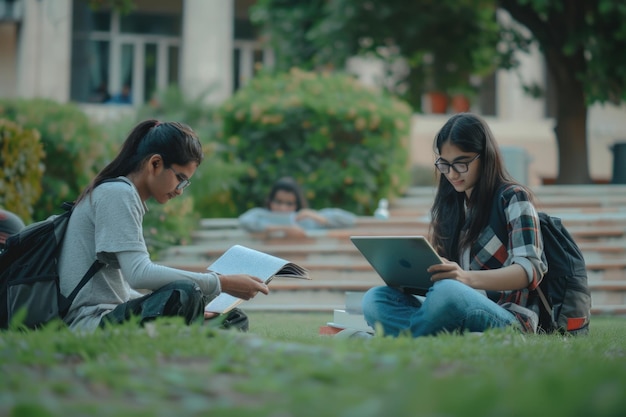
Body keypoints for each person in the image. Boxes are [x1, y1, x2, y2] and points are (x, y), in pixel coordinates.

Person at [58, 120, 269, 332]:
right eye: (180, 179)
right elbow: (139, 274)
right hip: (90, 325)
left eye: (185, 184)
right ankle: (192, 335)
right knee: (185, 294)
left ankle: (192, 332)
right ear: (155, 164)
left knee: (232, 318)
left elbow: (120, 289)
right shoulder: (118, 194)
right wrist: (222, 283)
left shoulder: (123, 194)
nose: (180, 190)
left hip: (111, 315)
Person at [361, 113, 547, 338]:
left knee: (448, 292)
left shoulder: (514, 198)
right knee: (376, 299)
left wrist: (465, 278)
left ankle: (409, 339)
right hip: (455, 306)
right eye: (445, 164)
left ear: (485, 157)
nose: (451, 173)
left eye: (461, 163)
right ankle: (431, 337)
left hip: (508, 317)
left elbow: (529, 271)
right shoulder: (452, 207)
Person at [238, 176, 356, 238]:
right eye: (278, 202)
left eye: (289, 204)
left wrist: (316, 216)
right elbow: (245, 221)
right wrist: (284, 229)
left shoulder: (304, 219)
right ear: (270, 201)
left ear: (297, 204)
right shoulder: (261, 215)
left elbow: (350, 220)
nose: (283, 208)